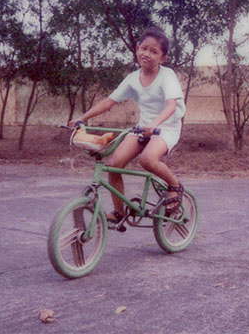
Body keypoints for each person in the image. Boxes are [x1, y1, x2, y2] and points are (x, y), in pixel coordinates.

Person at [70, 27, 186, 222]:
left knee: (148, 160)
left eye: (154, 52)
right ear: (136, 48)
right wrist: (82, 117)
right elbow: (109, 102)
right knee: (114, 164)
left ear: (163, 58)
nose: (147, 54)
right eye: (144, 48)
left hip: (166, 128)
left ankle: (174, 185)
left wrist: (154, 124)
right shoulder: (133, 79)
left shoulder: (167, 75)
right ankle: (119, 212)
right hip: (143, 128)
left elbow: (171, 106)